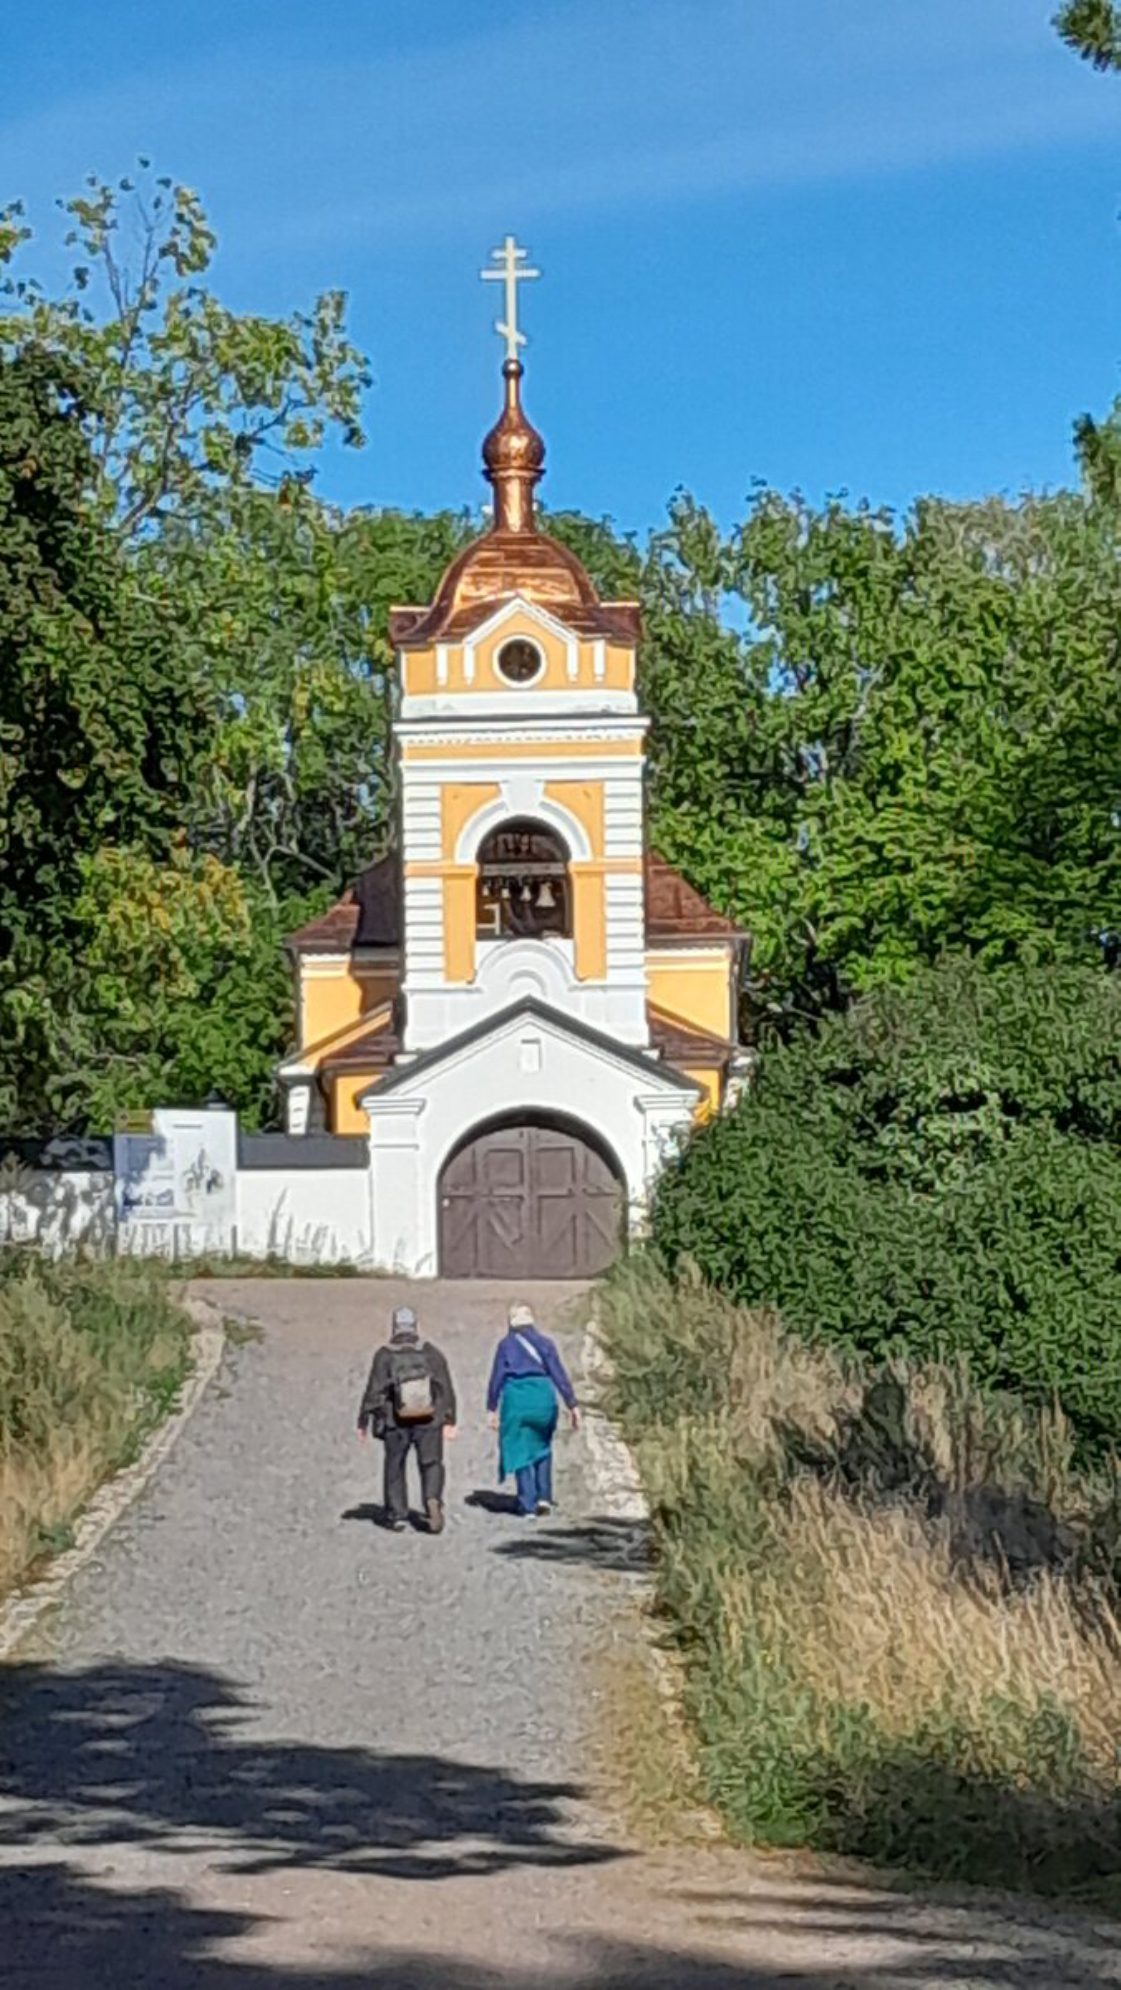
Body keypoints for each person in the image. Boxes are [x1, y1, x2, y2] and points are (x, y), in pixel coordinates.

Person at [357, 1305, 457, 1534]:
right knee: (431, 1462)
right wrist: (449, 1418)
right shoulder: (431, 1352)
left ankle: (397, 1514)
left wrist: (363, 1421)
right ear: (415, 1327)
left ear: (394, 1327)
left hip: (396, 1421)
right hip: (429, 1419)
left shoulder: (385, 1355)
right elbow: (445, 1387)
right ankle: (432, 1500)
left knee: (395, 1465)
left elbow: (374, 1391)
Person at [486, 1302, 579, 1518]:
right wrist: (572, 1404)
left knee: (520, 1449)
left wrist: (491, 1408)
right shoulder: (546, 1344)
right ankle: (544, 1497)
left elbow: (497, 1378)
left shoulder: (505, 1346)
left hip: (517, 1400)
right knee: (542, 1445)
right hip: (543, 1399)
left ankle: (527, 1504)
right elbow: (559, 1375)